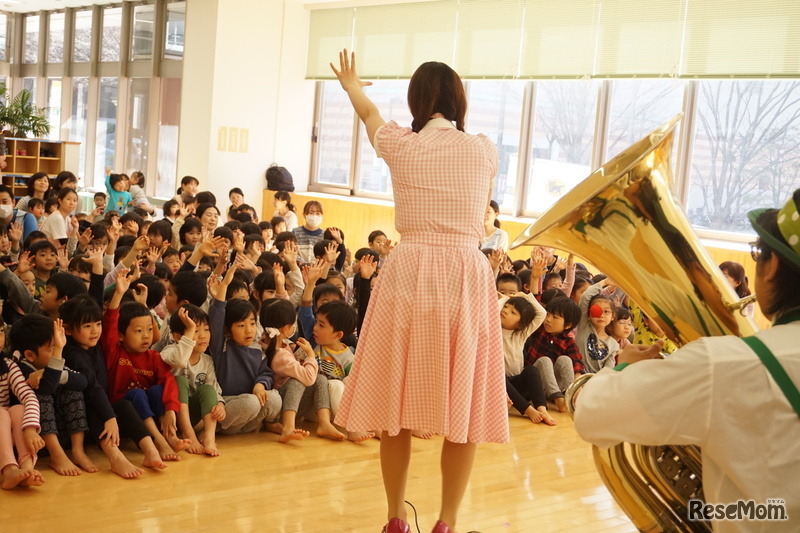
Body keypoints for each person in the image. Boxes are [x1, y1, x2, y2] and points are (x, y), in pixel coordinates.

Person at [331, 50, 507, 533]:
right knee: (462, 404)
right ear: (457, 100)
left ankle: (394, 518)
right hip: (466, 273)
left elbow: (369, 115)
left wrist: (351, 86)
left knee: (395, 403)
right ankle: (447, 522)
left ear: (416, 100)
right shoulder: (484, 150)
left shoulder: (401, 145)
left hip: (410, 269)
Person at [573, 188, 800, 533]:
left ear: (774, 267)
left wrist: (624, 366)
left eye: (757, 254)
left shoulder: (725, 365)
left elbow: (592, 414)